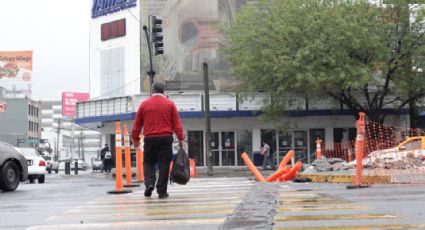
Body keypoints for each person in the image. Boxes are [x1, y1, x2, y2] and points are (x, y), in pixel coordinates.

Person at [132, 81, 184, 199]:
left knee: (149, 162)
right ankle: (162, 191)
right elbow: (177, 124)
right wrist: (181, 138)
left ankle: (150, 183)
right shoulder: (170, 104)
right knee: (164, 164)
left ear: (152, 91)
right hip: (166, 138)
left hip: (150, 138)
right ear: (163, 91)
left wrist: (135, 139)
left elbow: (137, 124)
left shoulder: (144, 104)